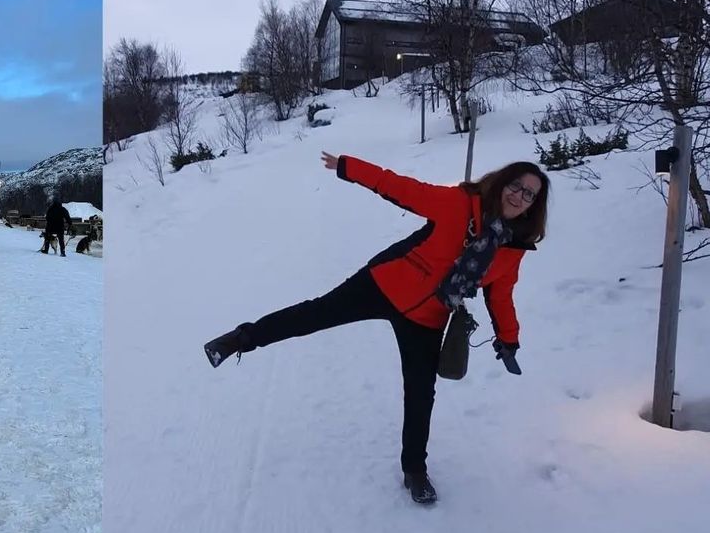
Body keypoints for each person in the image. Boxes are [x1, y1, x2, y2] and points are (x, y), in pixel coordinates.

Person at [203, 151, 549, 504]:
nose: (518, 196)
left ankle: (415, 470)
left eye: (529, 194)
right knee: (314, 315)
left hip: (426, 317)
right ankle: (241, 339)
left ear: (533, 206)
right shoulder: (459, 204)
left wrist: (509, 340)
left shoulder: (512, 250)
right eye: (515, 186)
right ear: (502, 183)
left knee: (420, 394)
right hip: (384, 284)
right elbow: (401, 187)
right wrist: (348, 167)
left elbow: (501, 297)